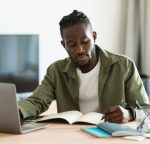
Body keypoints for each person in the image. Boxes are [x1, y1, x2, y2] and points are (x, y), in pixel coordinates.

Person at [19, 10, 150, 123]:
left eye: (85, 41)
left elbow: (146, 110)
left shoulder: (124, 66)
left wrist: (130, 114)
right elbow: (36, 101)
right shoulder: (56, 71)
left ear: (94, 37)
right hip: (73, 138)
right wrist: (17, 112)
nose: (80, 49)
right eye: (72, 45)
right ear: (64, 45)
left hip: (111, 135)